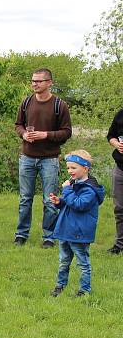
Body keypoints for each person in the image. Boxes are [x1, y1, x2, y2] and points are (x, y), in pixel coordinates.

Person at [13, 68, 72, 248]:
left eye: (38, 81)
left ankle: (49, 237)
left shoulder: (59, 105)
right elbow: (18, 125)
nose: (34, 84)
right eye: (33, 81)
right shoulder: (26, 102)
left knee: (49, 199)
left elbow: (67, 132)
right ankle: (21, 234)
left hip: (49, 159)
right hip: (27, 157)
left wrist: (45, 135)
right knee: (25, 198)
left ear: (49, 83)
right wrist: (23, 134)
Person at [48, 150, 105, 297]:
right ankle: (60, 286)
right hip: (66, 230)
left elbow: (79, 205)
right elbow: (70, 203)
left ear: (85, 168)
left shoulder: (90, 189)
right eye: (68, 167)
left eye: (73, 168)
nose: (69, 171)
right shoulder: (74, 184)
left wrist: (66, 190)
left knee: (82, 263)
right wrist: (59, 202)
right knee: (63, 261)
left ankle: (84, 290)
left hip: (79, 232)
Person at [106, 108, 123, 254]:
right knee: (119, 209)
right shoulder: (121, 113)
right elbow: (111, 135)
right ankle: (119, 245)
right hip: (120, 169)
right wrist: (116, 144)